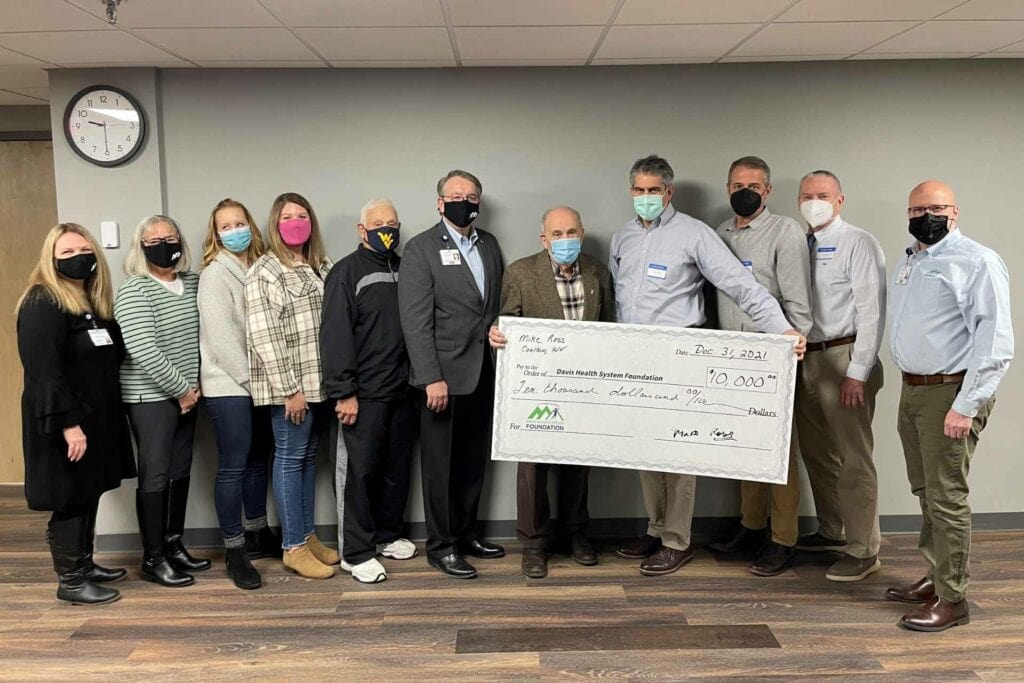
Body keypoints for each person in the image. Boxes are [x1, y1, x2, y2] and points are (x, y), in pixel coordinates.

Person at [610, 154, 806, 577]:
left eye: (654, 191)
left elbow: (740, 285)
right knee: (644, 449)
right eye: (639, 190)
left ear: (669, 192)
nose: (646, 197)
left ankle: (677, 542)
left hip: (680, 356)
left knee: (679, 452)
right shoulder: (622, 238)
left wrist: (784, 331)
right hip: (636, 356)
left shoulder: (694, 234)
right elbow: (619, 298)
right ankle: (656, 527)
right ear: (632, 192)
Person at [886, 180, 1013, 632]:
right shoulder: (911, 262)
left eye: (936, 207)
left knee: (946, 496)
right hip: (913, 390)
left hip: (950, 392)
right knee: (926, 491)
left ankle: (953, 597)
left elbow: (995, 343)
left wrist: (966, 405)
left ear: (954, 211)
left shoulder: (977, 260)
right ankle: (936, 574)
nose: (927, 216)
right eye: (918, 208)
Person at [488, 206, 615, 579]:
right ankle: (533, 543)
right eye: (557, 234)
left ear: (582, 233)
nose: (565, 240)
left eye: (571, 232)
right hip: (536, 389)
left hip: (583, 386)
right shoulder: (521, 273)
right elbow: (506, 324)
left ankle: (576, 534)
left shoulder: (597, 273)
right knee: (532, 468)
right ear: (544, 239)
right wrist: (497, 334)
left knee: (579, 463)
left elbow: (610, 327)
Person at [17, 223, 136, 605]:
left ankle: (84, 564)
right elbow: (45, 374)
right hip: (63, 421)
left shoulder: (88, 301)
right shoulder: (42, 302)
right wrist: (70, 425)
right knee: (69, 498)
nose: (77, 258)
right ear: (50, 260)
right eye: (66, 253)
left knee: (88, 492)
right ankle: (70, 579)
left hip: (95, 417)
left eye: (82, 250)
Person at [398, 169, 505, 579]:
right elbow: (415, 321)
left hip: (483, 373)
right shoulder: (421, 249)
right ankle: (441, 547)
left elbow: (490, 307)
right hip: (441, 379)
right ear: (440, 202)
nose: (466, 201)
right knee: (440, 469)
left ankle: (466, 534)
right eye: (457, 194)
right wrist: (430, 377)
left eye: (472, 194)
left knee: (473, 463)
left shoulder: (490, 245)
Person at [708, 157, 812, 577]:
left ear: (767, 190)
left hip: (774, 356)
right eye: (736, 184)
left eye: (752, 184)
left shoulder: (784, 231)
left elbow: (799, 303)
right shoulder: (720, 234)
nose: (743, 191)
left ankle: (783, 539)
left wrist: (792, 349)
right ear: (727, 188)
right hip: (731, 355)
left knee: (778, 452)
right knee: (742, 445)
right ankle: (751, 526)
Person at [792, 171, 886, 582]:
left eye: (823, 195)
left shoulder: (858, 242)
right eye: (808, 195)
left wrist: (858, 372)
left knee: (853, 458)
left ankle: (864, 550)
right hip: (806, 358)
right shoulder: (797, 242)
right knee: (816, 452)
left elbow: (873, 310)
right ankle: (833, 530)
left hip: (844, 357)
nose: (815, 202)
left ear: (840, 200)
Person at [321, 198, 417, 585]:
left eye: (392, 223)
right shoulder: (346, 272)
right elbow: (335, 335)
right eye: (378, 224)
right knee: (358, 474)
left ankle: (387, 535)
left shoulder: (408, 267)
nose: (387, 230)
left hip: (402, 389)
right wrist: (344, 392)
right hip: (363, 394)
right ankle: (356, 552)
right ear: (362, 231)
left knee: (395, 470)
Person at [246, 192, 337, 579]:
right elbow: (264, 335)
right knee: (289, 459)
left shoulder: (319, 265)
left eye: (303, 215)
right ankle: (293, 547)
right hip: (292, 388)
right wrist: (289, 389)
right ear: (275, 223)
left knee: (306, 460)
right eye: (288, 216)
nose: (296, 221)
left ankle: (308, 535)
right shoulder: (265, 270)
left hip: (320, 385)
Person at [115, 215, 209, 588]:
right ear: (141, 246)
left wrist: (195, 387)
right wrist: (182, 390)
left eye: (171, 238)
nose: (165, 244)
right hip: (150, 397)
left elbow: (202, 339)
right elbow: (142, 349)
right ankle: (153, 558)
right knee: (155, 474)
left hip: (189, 394)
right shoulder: (135, 290)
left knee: (180, 469)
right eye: (154, 240)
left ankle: (173, 545)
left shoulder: (192, 283)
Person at [198, 198, 278, 590]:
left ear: (251, 226)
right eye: (225, 226)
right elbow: (222, 340)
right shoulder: (215, 275)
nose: (234, 231)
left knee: (257, 460)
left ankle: (259, 532)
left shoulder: (260, 267)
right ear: (215, 234)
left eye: (239, 223)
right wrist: (252, 381)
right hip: (229, 384)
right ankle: (234, 548)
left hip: (260, 384)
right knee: (233, 464)